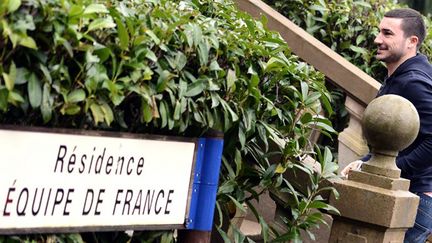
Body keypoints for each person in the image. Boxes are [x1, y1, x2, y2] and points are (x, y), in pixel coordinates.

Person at [341, 8, 432, 243]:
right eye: (379, 31)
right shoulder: (402, 75)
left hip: (415, 198)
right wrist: (364, 162)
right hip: (408, 195)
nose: (377, 39)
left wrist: (392, 169)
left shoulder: (414, 82)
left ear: (412, 41)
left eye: (387, 33)